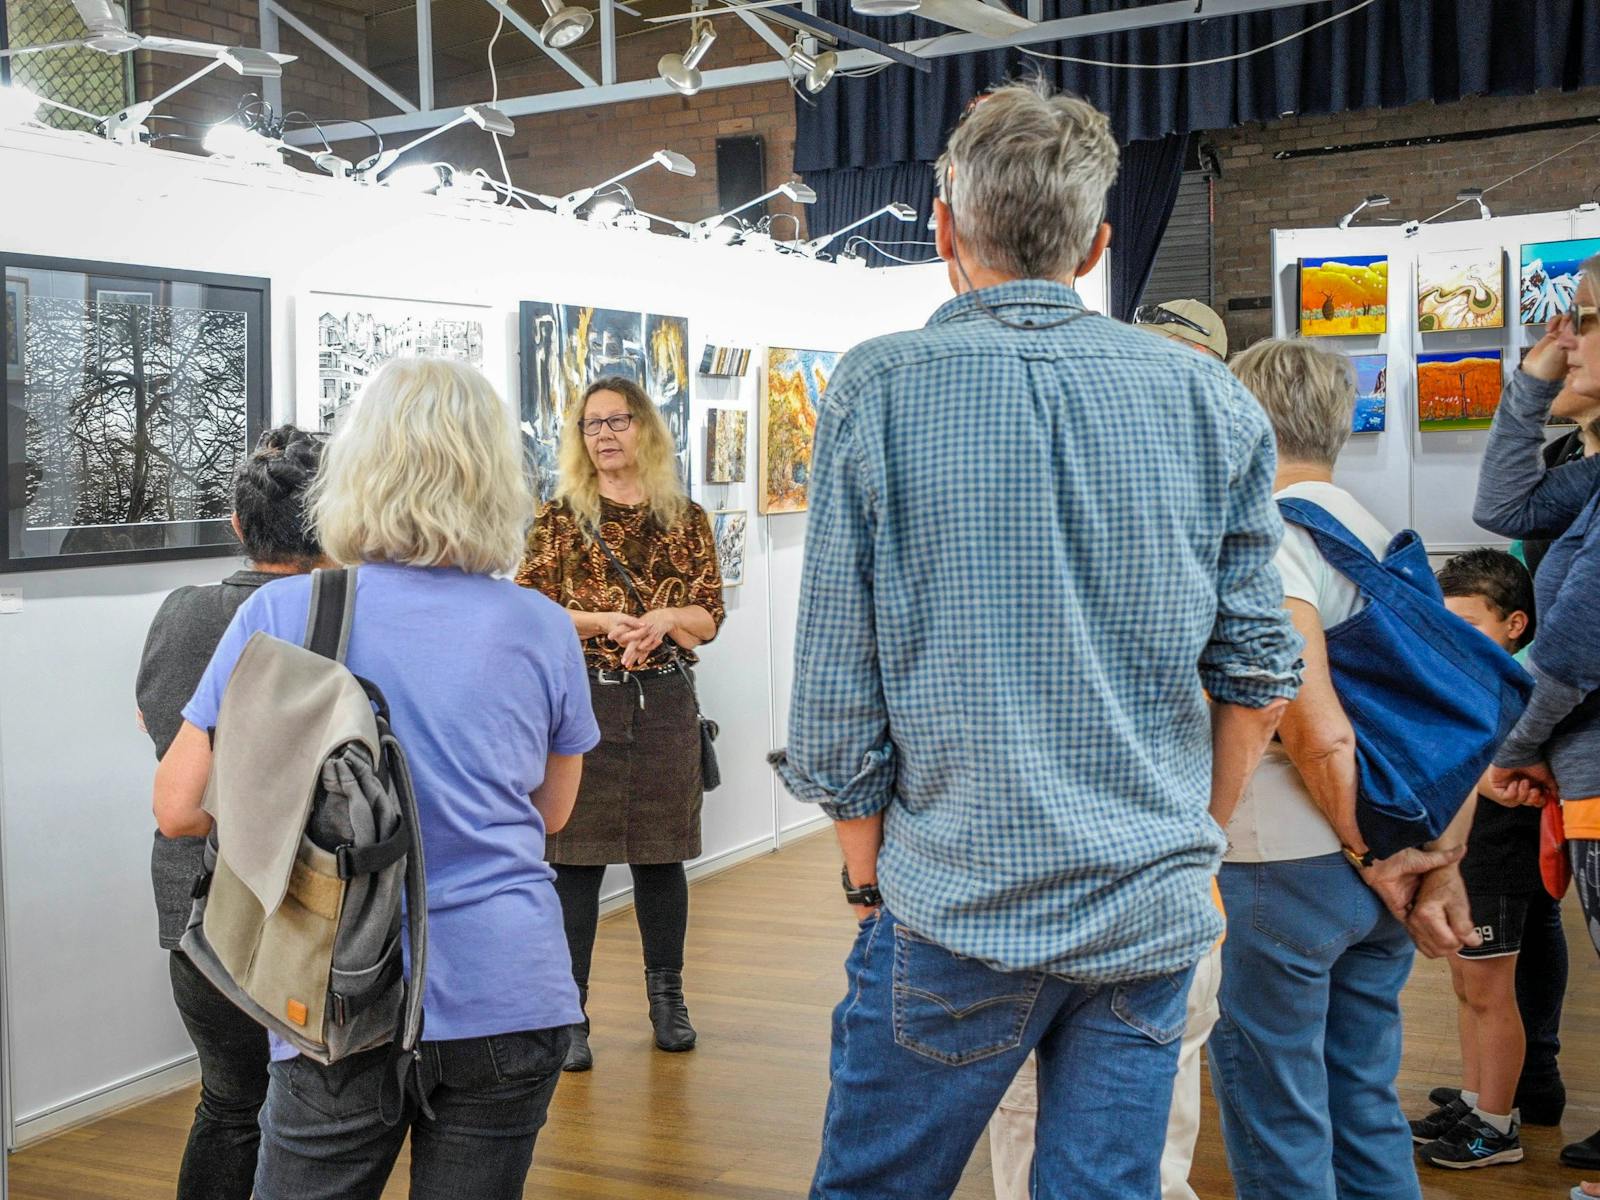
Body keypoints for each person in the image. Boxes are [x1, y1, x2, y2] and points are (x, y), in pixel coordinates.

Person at [772, 81, 1305, 1200]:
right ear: (1099, 243)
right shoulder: (1208, 400)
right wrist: (1192, 839)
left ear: (941, 229)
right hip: (1145, 912)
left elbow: (832, 697)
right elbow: (1259, 667)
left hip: (955, 901)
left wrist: (867, 884)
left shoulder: (878, 388)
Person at [152, 358, 598, 1200]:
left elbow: (178, 809)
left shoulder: (282, 615)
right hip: (511, 988)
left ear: (357, 471)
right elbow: (552, 812)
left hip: (338, 983)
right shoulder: (543, 626)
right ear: (496, 478)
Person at [1207, 338, 1479, 1200]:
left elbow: (1310, 725)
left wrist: (1370, 855)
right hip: (1386, 860)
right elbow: (1456, 719)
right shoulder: (1381, 536)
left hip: (1283, 860)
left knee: (1278, 1114)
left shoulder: (1270, 536)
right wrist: (1432, 861)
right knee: (1363, 1097)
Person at [988, 299, 1231, 1200]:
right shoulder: (1193, 518)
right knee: (1068, 1126)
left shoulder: (1206, 519)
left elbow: (1254, 692)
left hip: (1125, 886)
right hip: (1059, 884)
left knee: (1140, 1134)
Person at [136, 425, 325, 1200]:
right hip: (293, 899)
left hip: (189, 895)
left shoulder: (181, 610)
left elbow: (151, 720)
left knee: (227, 1103)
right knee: (311, 1113)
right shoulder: (328, 615)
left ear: (238, 524)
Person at [517, 375, 723, 1073]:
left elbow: (708, 618)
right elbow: (531, 610)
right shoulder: (558, 521)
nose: (604, 434)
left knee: (661, 858)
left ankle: (669, 1001)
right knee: (575, 863)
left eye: (618, 421)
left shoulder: (686, 518)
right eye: (592, 424)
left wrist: (664, 619)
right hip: (586, 702)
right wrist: (605, 621)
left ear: (645, 428)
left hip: (664, 703)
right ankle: (569, 1012)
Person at [1473, 261, 1600, 1198]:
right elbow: (1503, 507)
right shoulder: (1586, 476)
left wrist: (1507, 753)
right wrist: (1536, 375)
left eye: (1586, 322)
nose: (1568, 339)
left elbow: (1571, 644)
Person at [1408, 550, 1538, 1169]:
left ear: (1514, 624)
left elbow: (1514, 773)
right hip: (1465, 860)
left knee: (1491, 994)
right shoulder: (1466, 681)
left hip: (1500, 861)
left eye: (1469, 623)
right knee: (1466, 987)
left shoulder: (1522, 690)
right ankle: (1474, 1099)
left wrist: (1490, 778)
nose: (1455, 636)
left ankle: (1497, 1125)